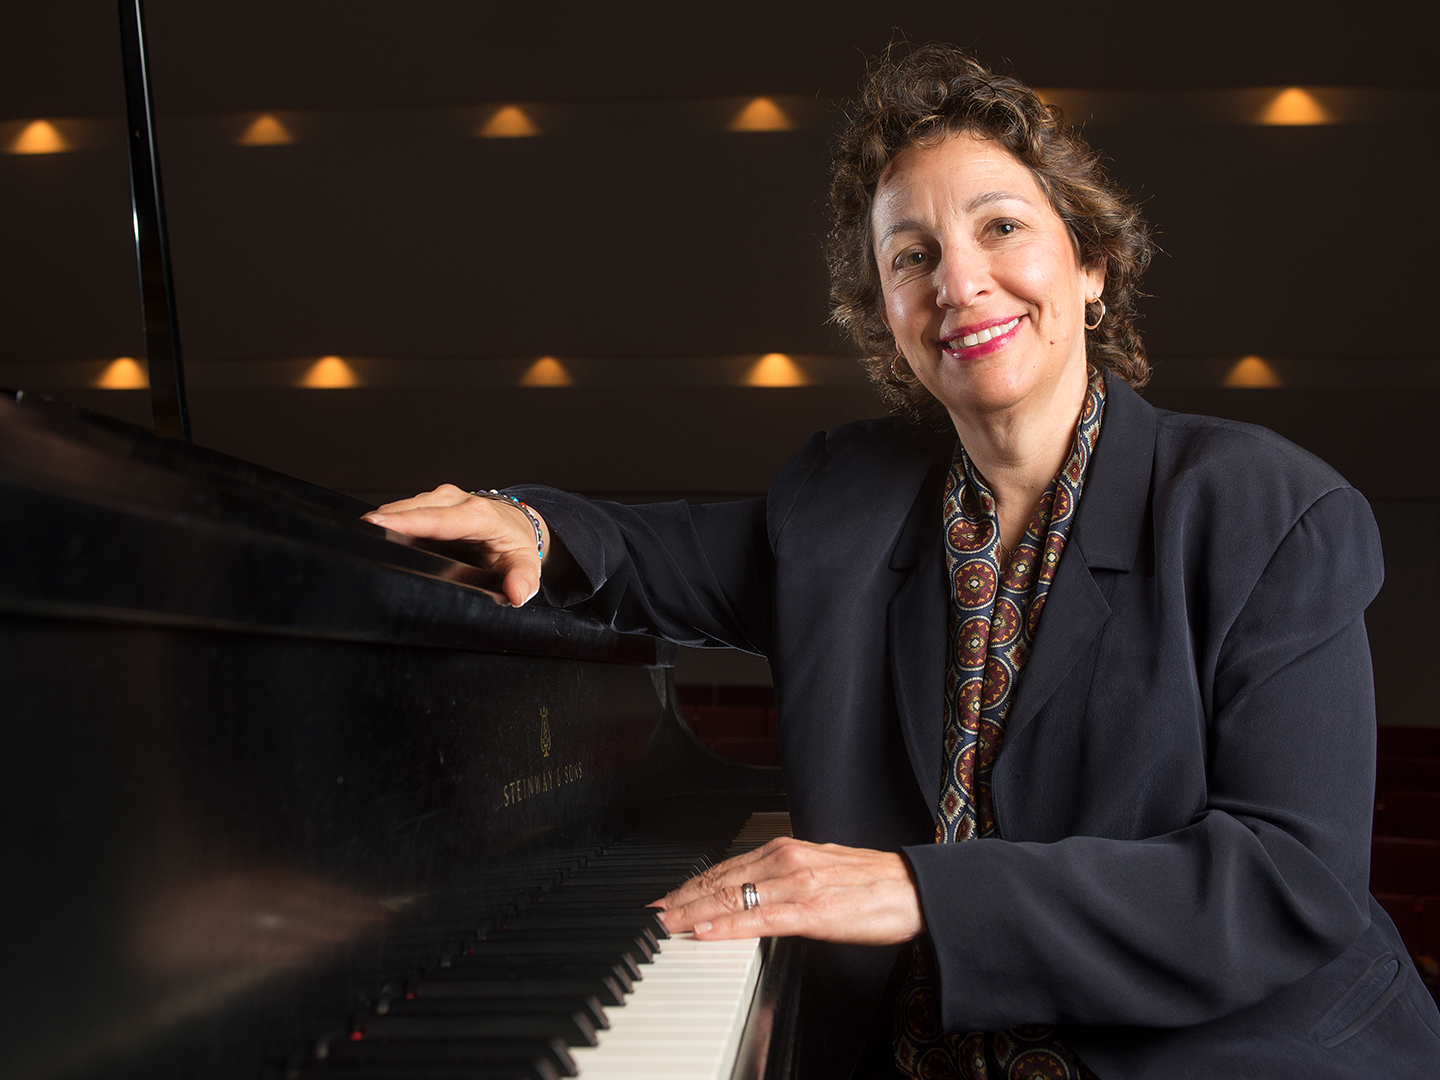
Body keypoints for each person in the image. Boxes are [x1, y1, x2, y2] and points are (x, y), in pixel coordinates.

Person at [362, 44, 1440, 1080]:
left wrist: (924, 892)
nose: (960, 284)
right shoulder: (846, 498)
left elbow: (1287, 887)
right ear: (887, 314)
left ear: (1093, 262)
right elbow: (645, 552)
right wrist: (529, 522)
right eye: (911, 256)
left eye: (1002, 226)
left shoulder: (1267, 509)